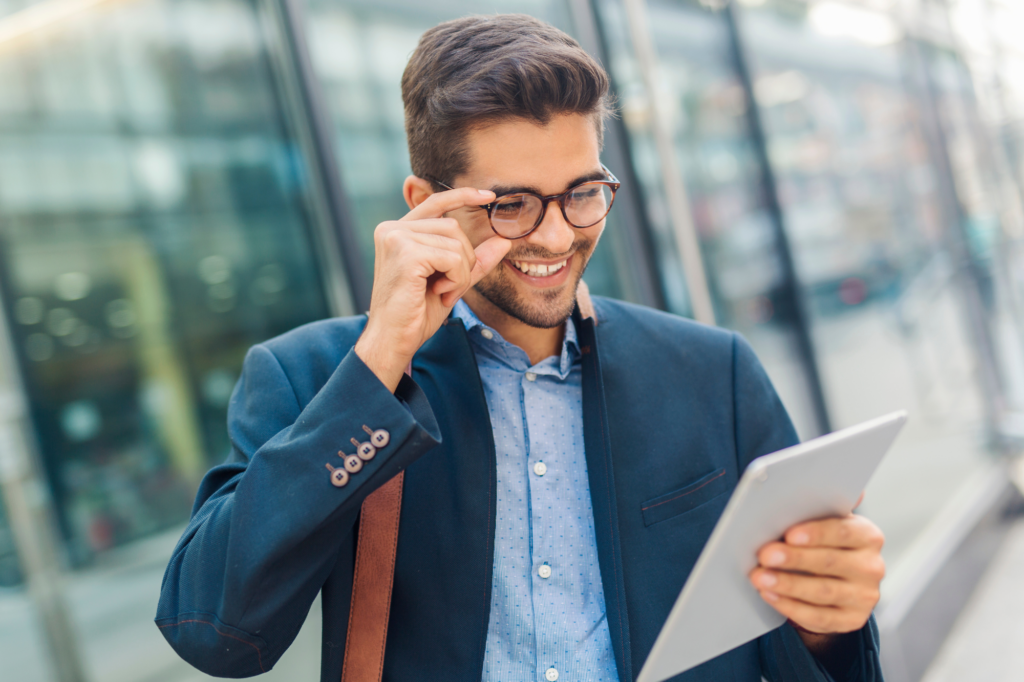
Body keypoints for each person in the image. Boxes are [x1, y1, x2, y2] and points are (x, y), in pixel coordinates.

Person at [156, 14, 886, 682]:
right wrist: (379, 363)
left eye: (583, 192)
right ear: (424, 206)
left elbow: (807, 651)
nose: (557, 236)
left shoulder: (710, 373)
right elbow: (215, 633)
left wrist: (830, 622)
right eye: (511, 205)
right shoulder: (313, 379)